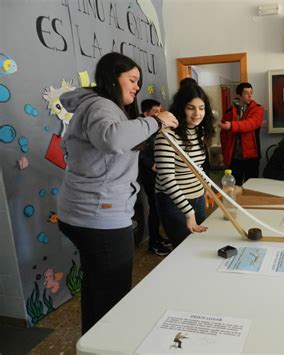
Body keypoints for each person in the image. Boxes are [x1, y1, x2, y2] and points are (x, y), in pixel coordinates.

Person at [57, 52, 178, 334]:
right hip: (100, 217)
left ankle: (93, 343)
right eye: (132, 80)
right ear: (114, 77)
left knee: (98, 288)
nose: (136, 87)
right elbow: (113, 139)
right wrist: (157, 120)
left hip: (83, 212)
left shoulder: (95, 107)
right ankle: (105, 344)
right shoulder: (101, 106)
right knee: (112, 294)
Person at [154, 84, 214, 248]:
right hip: (174, 202)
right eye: (191, 108)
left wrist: (209, 188)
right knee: (183, 249)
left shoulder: (199, 132)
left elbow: (197, 167)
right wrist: (188, 212)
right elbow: (167, 179)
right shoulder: (166, 135)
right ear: (181, 108)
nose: (197, 114)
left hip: (198, 197)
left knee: (199, 246)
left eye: (201, 108)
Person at [138, 99, 173, 256]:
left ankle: (158, 237)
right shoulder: (141, 128)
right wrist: (152, 164)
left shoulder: (157, 127)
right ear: (146, 113)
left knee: (158, 208)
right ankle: (153, 244)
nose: (160, 115)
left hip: (159, 176)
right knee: (155, 209)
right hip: (150, 176)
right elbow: (140, 152)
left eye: (160, 111)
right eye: (155, 112)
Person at [219, 82, 264, 185]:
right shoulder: (229, 112)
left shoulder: (258, 109)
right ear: (239, 95)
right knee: (234, 185)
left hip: (251, 156)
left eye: (251, 93)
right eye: (246, 93)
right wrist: (226, 153)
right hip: (234, 157)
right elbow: (224, 135)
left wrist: (232, 126)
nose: (250, 96)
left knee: (252, 186)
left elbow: (252, 124)